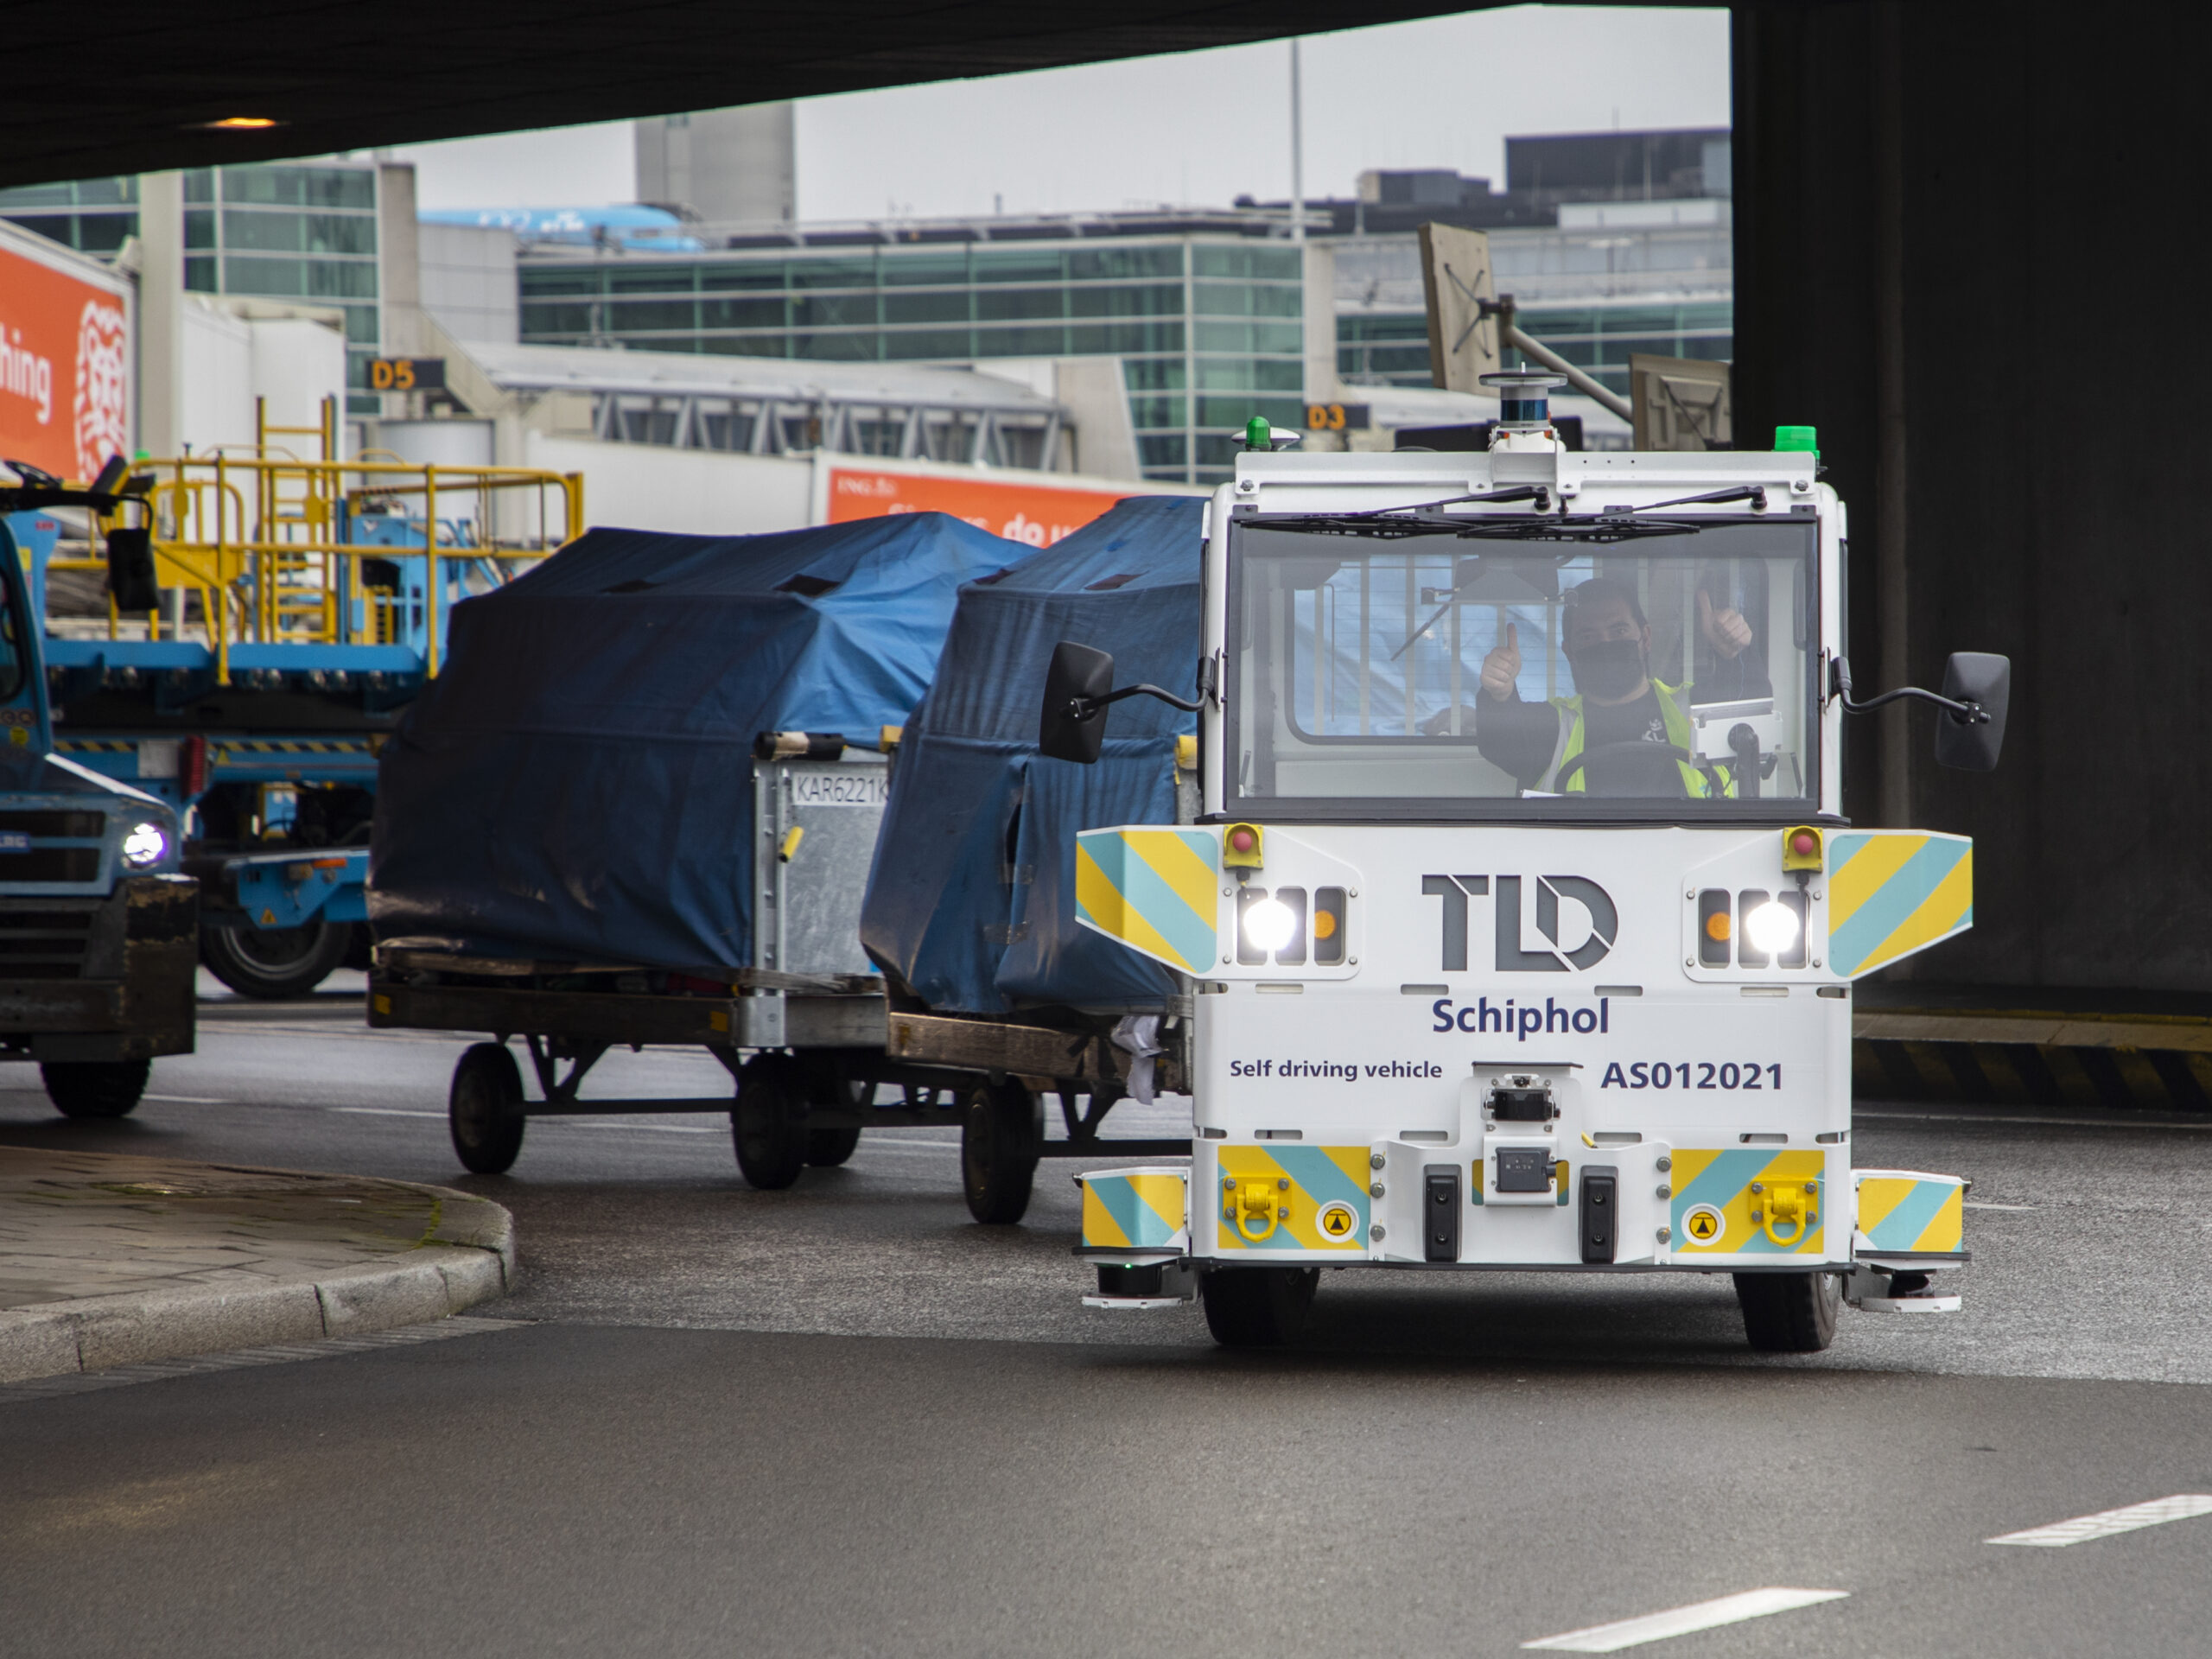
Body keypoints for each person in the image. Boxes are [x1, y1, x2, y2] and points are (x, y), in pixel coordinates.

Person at [1458, 576, 1762, 797]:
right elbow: (1502, 742)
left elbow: (1754, 722)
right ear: (1570, 652)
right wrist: (1499, 694)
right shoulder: (1555, 726)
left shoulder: (1695, 708)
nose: (1606, 643)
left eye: (1618, 630)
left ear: (1645, 638)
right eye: (1589, 636)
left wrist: (1732, 656)